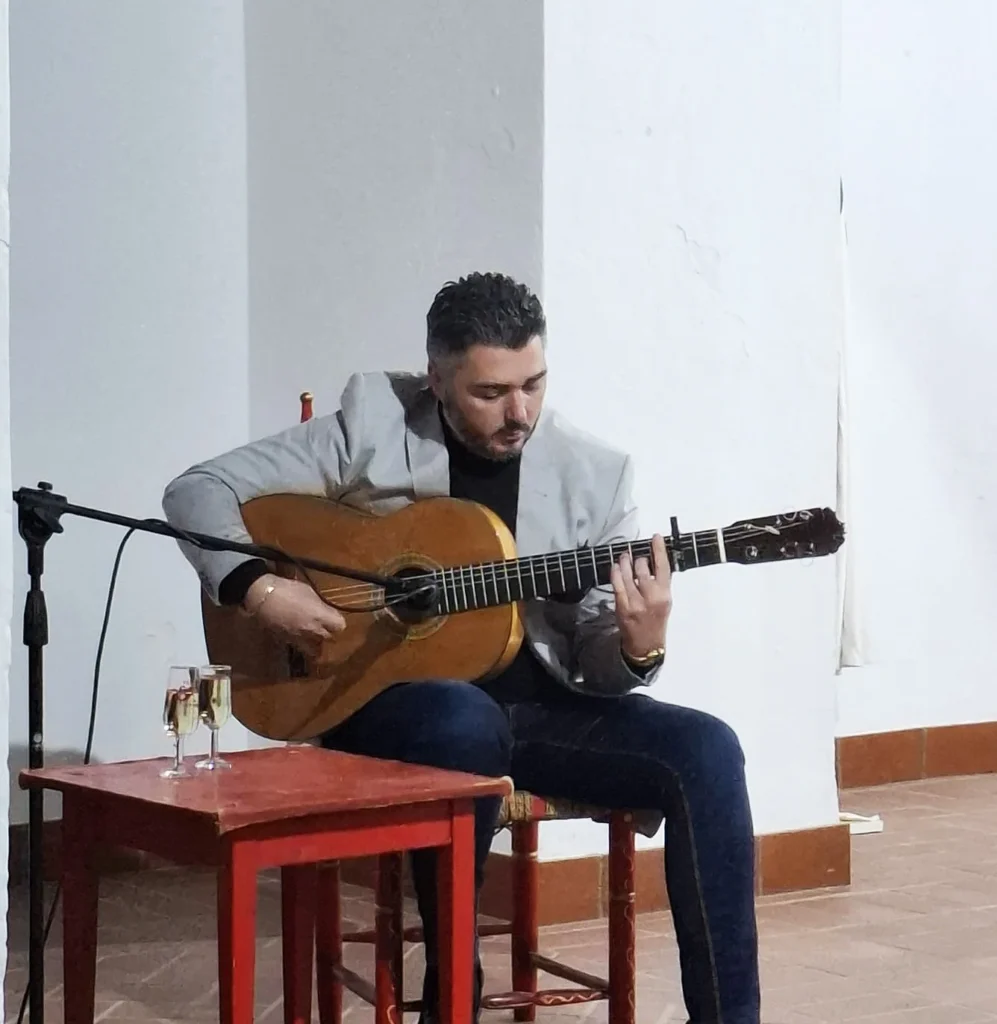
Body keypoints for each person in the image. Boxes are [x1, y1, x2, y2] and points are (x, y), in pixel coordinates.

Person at [162, 272, 760, 1024]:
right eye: (490, 393)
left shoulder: (593, 475)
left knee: (707, 748)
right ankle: (454, 993)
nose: (520, 413)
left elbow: (600, 668)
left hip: (537, 710)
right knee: (460, 715)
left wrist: (637, 647)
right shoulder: (372, 421)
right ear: (437, 378)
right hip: (383, 704)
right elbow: (196, 490)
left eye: (533, 384)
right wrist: (258, 588)